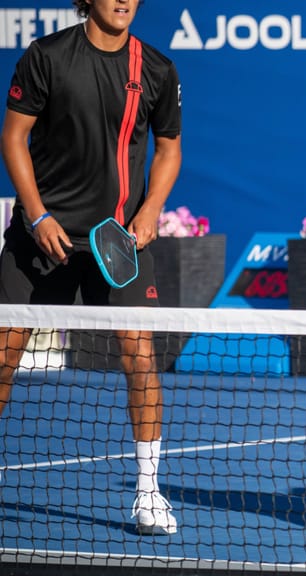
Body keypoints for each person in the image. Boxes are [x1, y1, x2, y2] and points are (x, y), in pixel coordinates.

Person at [0, 0, 182, 536]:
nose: (125, 1)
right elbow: (13, 138)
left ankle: (148, 492)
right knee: (2, 358)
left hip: (119, 241)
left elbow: (169, 148)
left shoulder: (156, 69)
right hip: (43, 233)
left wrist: (149, 210)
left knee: (140, 357)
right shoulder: (47, 57)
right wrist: (38, 217)